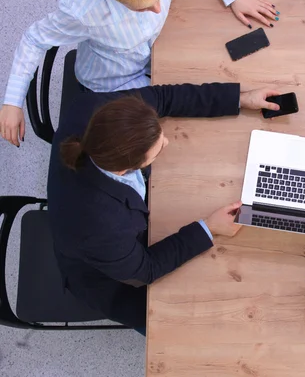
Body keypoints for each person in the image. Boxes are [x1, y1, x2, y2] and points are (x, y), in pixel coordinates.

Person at [0, 0, 279, 147]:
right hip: (114, 81)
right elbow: (34, 39)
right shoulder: (81, 11)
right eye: (145, 7)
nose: (157, 9)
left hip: (156, 50)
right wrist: (12, 102)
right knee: (180, 136)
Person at [48, 82, 281, 331]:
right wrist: (208, 228)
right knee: (183, 326)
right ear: (125, 168)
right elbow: (146, 269)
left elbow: (162, 96)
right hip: (105, 277)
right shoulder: (100, 226)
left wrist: (240, 99)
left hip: (117, 225)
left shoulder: (97, 110)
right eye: (157, 150)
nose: (167, 142)